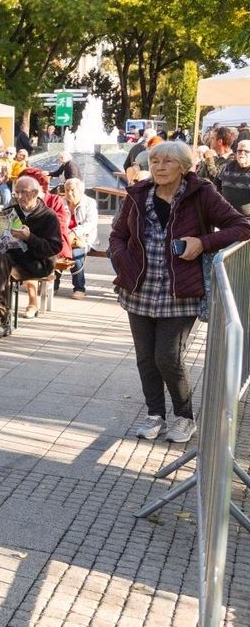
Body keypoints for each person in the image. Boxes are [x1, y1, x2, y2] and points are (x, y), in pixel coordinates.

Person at [110, 140, 250, 443]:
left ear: (184, 167)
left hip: (180, 292)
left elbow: (241, 226)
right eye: (155, 161)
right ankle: (155, 415)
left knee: (167, 357)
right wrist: (124, 259)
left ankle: (185, 417)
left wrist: (203, 243)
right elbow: (117, 235)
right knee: (146, 357)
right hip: (139, 290)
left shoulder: (202, 194)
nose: (159, 167)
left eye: (167, 162)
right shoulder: (138, 195)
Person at [0, 175, 63, 339]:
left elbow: (54, 248)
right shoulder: (12, 211)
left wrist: (29, 238)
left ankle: (0, 319)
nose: (19, 196)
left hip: (38, 262)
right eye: (16, 192)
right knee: (0, 260)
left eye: (24, 192)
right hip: (14, 259)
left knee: (3, 266)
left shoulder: (48, 216)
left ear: (35, 193)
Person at [59, 179, 98, 299]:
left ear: (81, 191)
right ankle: (53, 284)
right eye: (66, 190)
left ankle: (79, 288)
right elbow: (57, 220)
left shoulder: (89, 203)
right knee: (55, 252)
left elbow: (90, 224)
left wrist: (74, 233)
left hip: (83, 238)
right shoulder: (61, 202)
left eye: (72, 190)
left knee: (76, 254)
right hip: (64, 238)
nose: (69, 193)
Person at [215, 139, 250, 215]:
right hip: (228, 216)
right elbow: (216, 186)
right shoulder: (225, 168)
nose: (242, 153)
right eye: (239, 151)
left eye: (246, 151)